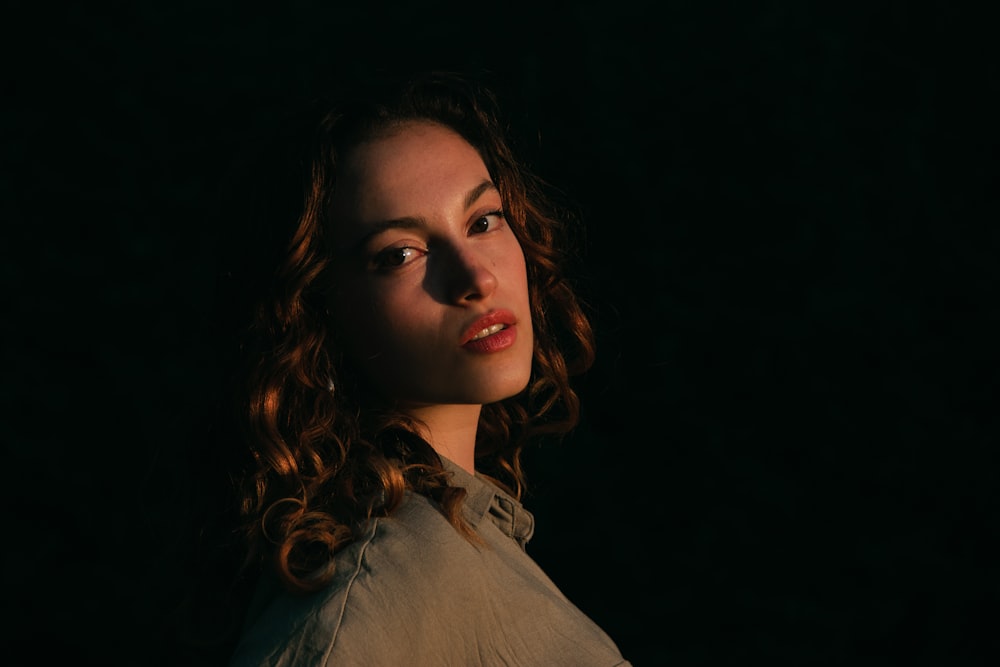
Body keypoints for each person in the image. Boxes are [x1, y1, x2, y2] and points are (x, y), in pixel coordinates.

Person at [201, 69, 631, 666]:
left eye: (482, 221)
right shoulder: (375, 590)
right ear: (316, 315)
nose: (476, 279)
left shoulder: (463, 534)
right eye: (401, 254)